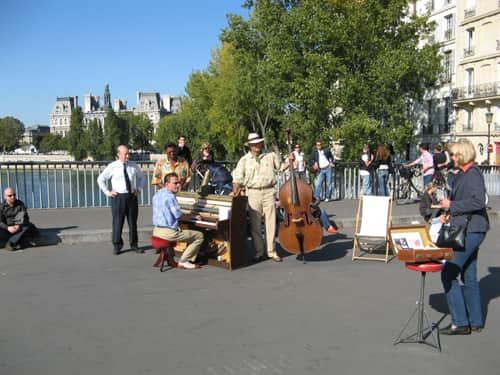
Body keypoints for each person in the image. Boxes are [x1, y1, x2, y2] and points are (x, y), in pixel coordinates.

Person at [438, 138, 489, 335]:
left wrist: (452, 206)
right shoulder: (466, 173)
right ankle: (475, 320)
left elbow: (478, 202)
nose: (451, 157)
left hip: (471, 229)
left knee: (448, 272)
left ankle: (460, 321)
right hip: (471, 227)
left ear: (460, 155)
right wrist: (451, 212)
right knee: (468, 274)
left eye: (452, 154)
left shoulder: (472, 174)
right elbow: (468, 201)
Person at [231, 132, 283, 262]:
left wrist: (291, 159)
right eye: (254, 144)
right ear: (250, 146)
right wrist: (235, 192)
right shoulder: (244, 160)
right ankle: (260, 251)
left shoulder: (270, 155)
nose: (257, 146)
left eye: (258, 143)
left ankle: (271, 251)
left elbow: (281, 167)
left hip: (269, 191)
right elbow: (237, 178)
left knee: (271, 223)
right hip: (253, 192)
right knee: (255, 225)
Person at [97, 145, 145, 255]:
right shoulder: (112, 166)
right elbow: (100, 179)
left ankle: (134, 245)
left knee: (133, 222)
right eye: (125, 154)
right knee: (118, 222)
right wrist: (107, 192)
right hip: (118, 197)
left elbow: (142, 177)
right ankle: (117, 245)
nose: (127, 156)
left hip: (131, 196)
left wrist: (139, 189)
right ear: (118, 154)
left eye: (128, 153)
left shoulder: (133, 166)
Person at [152, 172, 204, 270]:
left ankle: (178, 257)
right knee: (199, 236)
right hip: (168, 233)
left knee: (187, 231)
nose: (178, 185)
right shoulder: (170, 196)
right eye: (175, 183)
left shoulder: (157, 195)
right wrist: (193, 216)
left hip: (156, 231)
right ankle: (184, 261)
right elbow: (179, 216)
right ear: (167, 184)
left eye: (178, 182)